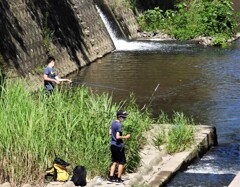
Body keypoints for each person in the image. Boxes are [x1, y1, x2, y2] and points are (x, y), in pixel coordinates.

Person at [107, 110, 131, 185]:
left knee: (114, 162)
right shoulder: (119, 125)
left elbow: (110, 132)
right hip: (118, 146)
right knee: (121, 162)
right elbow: (118, 136)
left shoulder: (113, 123)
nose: (124, 119)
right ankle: (119, 179)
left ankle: (111, 178)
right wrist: (126, 137)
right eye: (124, 117)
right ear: (120, 117)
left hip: (113, 145)